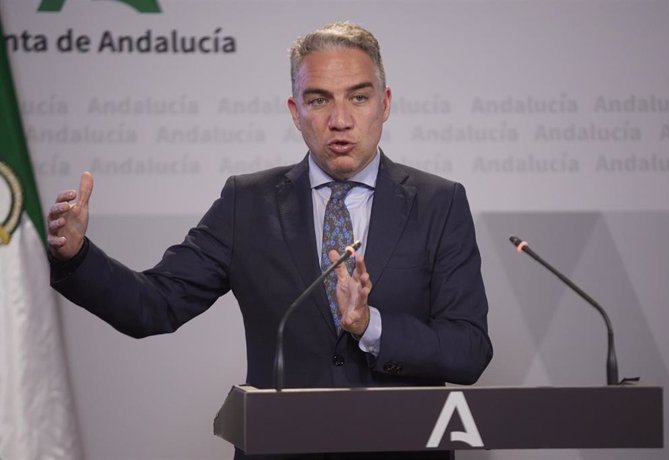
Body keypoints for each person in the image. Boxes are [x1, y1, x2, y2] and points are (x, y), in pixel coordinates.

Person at [47, 22, 492, 460]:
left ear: (385, 103)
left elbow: (469, 350)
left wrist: (369, 325)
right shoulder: (248, 203)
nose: (340, 120)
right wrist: (76, 256)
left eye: (358, 97)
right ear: (296, 112)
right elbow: (153, 304)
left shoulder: (440, 203)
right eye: (319, 100)